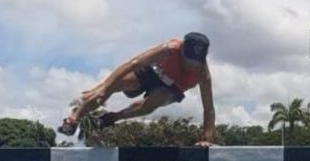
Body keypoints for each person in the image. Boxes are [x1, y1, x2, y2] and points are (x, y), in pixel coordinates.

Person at [58, 32, 215, 146]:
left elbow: (208, 109)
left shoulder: (203, 75)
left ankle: (114, 117)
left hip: (171, 88)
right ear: (181, 50)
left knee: (154, 101)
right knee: (114, 86)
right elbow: (133, 64)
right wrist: (104, 87)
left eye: (195, 62)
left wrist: (206, 139)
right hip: (152, 72)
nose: (190, 65)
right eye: (187, 60)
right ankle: (73, 119)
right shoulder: (169, 49)